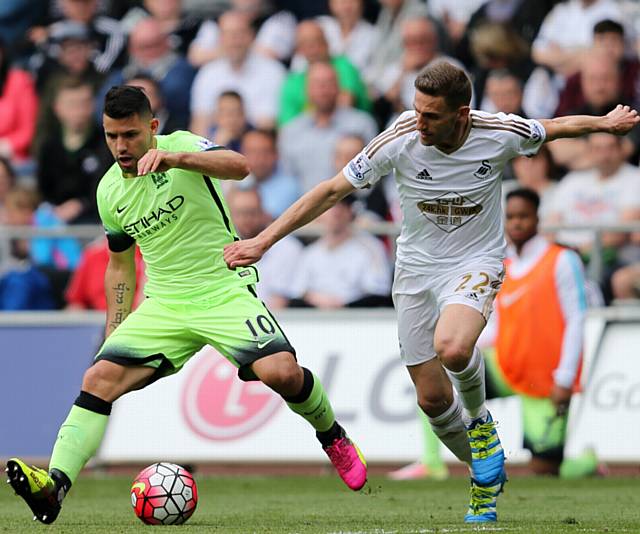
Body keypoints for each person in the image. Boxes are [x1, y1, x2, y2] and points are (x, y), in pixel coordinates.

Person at [223, 61, 640, 523]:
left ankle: (480, 423)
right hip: (416, 273)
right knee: (433, 401)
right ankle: (483, 478)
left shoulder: (498, 131)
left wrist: (604, 122)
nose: (418, 122)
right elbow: (330, 190)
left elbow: (556, 126)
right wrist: (264, 240)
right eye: (415, 110)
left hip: (474, 262)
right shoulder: (399, 137)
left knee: (454, 346)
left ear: (462, 114)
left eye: (430, 115)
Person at [6, 85, 367, 525]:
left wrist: (177, 159)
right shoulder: (108, 193)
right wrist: (116, 325)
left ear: (153, 128)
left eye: (131, 135)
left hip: (223, 290)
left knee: (284, 373)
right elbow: (120, 265)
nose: (121, 146)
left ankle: (332, 436)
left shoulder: (181, 146)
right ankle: (54, 486)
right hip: (165, 303)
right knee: (98, 377)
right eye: (112, 136)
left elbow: (240, 166)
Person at [481, 188, 592, 477]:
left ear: (537, 218)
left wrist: (565, 378)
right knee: (437, 382)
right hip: (507, 366)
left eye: (523, 216)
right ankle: (432, 463)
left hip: (545, 380)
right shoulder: (504, 266)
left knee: (544, 469)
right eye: (511, 217)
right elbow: (497, 323)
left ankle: (588, 464)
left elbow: (576, 320)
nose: (516, 223)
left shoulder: (562, 260)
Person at [226, 186, 302, 309]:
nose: (246, 219)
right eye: (240, 213)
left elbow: (279, 303)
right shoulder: (225, 248)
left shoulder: (287, 248)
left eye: (251, 212)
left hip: (275, 320)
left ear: (263, 212)